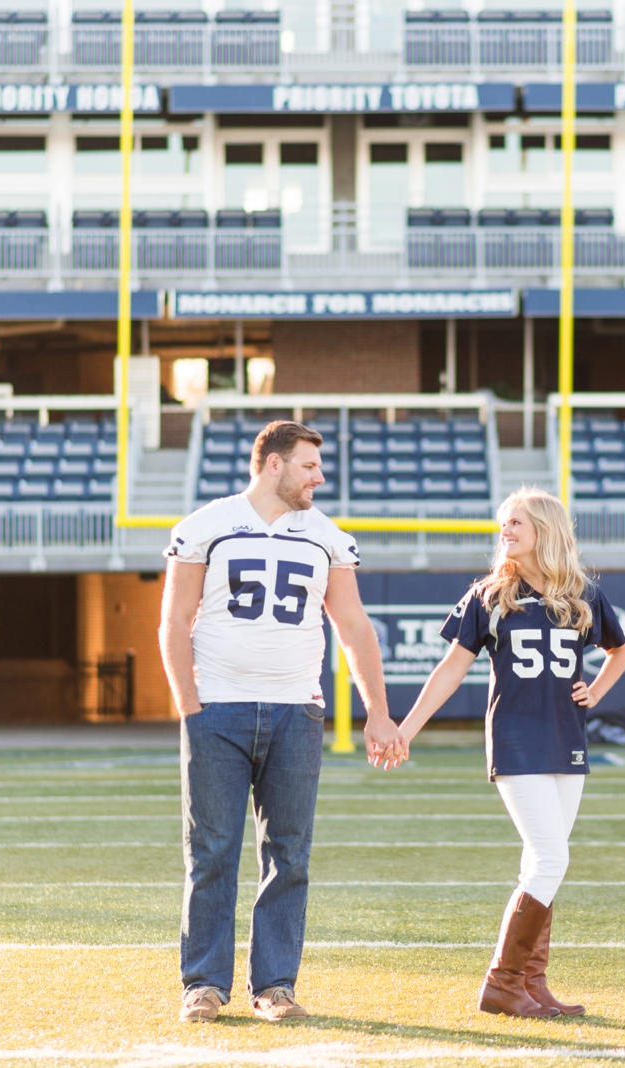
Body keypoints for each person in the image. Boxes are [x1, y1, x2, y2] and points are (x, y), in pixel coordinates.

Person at [159, 420, 406, 1024]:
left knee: (289, 853)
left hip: (297, 710)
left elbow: (353, 627)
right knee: (213, 851)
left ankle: (274, 985)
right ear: (273, 465)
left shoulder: (325, 536)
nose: (319, 477)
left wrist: (378, 711)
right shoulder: (206, 526)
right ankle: (204, 985)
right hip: (217, 709)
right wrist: (189, 704)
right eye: (308, 466)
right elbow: (174, 619)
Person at [393, 487, 625, 1018]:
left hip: (567, 737)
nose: (505, 531)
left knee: (544, 863)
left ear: (544, 529)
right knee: (551, 857)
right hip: (517, 739)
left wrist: (595, 690)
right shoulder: (490, 594)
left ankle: (531, 983)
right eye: (504, 523)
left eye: (516, 522)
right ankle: (502, 984)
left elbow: (620, 650)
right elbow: (451, 669)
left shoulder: (582, 593)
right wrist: (407, 728)